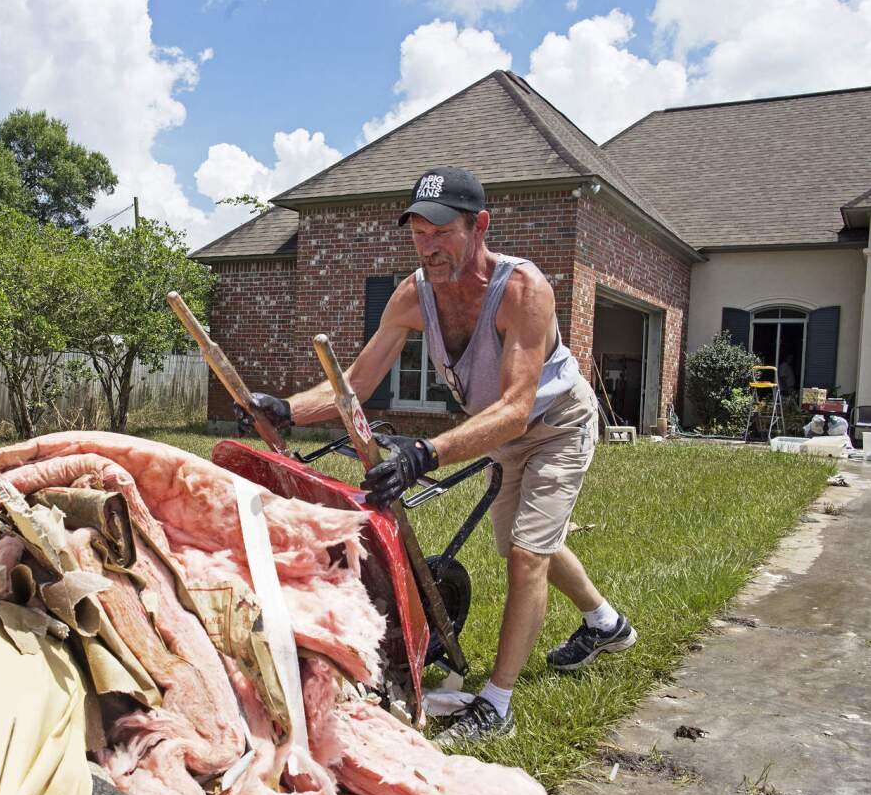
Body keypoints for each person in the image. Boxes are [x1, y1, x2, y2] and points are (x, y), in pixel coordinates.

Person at [235, 165, 636, 745]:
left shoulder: (524, 291)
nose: (430, 246)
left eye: (443, 231)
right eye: (419, 233)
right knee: (526, 543)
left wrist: (426, 453)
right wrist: (289, 410)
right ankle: (606, 623)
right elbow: (356, 382)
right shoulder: (413, 295)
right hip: (501, 433)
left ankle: (497, 705)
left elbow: (517, 406)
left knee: (526, 554)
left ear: (479, 227)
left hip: (557, 426)